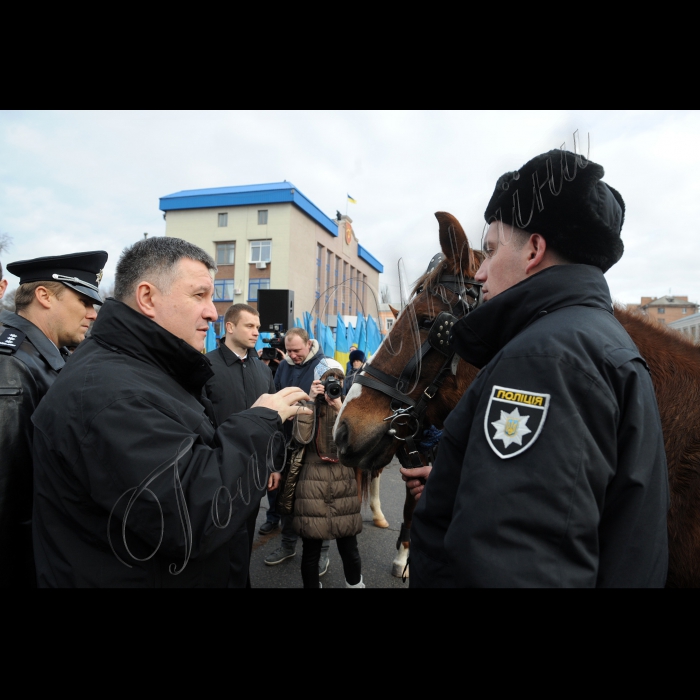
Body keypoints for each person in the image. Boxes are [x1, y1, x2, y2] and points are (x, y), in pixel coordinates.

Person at [405, 149, 669, 587]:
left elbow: (516, 565)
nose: (481, 273)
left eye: (489, 251)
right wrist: (472, 478)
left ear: (534, 249)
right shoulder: (593, 339)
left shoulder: (544, 360)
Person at [31, 237, 310, 587]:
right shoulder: (110, 394)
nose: (212, 311)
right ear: (148, 298)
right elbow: (195, 514)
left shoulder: (144, 370)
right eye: (199, 295)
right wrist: (259, 421)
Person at [0, 251, 106, 587]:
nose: (92, 314)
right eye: (84, 301)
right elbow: (8, 495)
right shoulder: (12, 364)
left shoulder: (48, 354)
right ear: (44, 296)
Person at [204, 303, 277, 587]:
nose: (256, 332)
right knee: (218, 546)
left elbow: (273, 422)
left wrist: (273, 465)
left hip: (255, 474)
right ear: (230, 326)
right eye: (250, 326)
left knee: (244, 542)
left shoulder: (263, 370)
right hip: (216, 474)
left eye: (258, 327)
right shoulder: (206, 367)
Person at [280, 359, 364, 588]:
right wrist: (308, 401)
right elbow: (300, 438)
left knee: (349, 548)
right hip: (311, 484)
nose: (332, 384)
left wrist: (339, 407)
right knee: (311, 551)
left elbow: (357, 440)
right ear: (317, 381)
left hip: (342, 482)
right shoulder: (308, 405)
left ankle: (355, 585)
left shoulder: (348, 405)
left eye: (337, 378)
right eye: (328, 379)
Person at [265, 326, 331, 573]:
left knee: (316, 504)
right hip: (286, 443)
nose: (292, 356)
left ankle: (322, 553)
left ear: (308, 344)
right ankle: (287, 544)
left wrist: (304, 407)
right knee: (286, 498)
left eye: (297, 350)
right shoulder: (284, 366)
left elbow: (333, 405)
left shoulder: (324, 365)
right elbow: (275, 396)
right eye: (289, 351)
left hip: (315, 445)